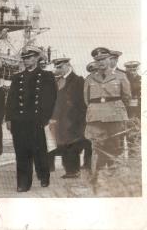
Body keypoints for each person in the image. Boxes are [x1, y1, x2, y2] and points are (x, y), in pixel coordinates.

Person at [6, 46, 57, 192]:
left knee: (39, 151)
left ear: (36, 58)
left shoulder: (46, 76)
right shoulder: (17, 77)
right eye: (24, 58)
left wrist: (45, 118)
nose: (26, 60)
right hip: (19, 121)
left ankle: (44, 175)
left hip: (37, 120)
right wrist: (9, 118)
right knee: (21, 152)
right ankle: (23, 183)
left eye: (29, 57)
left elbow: (51, 98)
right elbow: (11, 99)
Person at [84, 47, 131, 176]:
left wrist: (116, 108)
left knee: (116, 146)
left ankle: (115, 175)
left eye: (104, 59)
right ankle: (97, 176)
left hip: (115, 115)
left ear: (110, 59)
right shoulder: (90, 78)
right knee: (97, 147)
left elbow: (127, 97)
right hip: (96, 117)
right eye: (98, 60)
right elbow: (86, 99)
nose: (101, 62)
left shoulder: (121, 76)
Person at [48, 58, 89, 178]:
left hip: (73, 118)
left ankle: (73, 170)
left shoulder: (78, 80)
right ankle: (69, 170)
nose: (58, 69)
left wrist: (80, 119)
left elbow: (83, 101)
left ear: (68, 65)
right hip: (59, 118)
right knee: (63, 143)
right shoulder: (57, 81)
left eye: (60, 67)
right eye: (57, 67)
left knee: (72, 143)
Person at [124, 61, 141, 157]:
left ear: (137, 69)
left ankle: (133, 160)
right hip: (124, 112)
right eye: (130, 69)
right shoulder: (122, 79)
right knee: (120, 139)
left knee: (135, 138)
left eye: (134, 69)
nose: (132, 71)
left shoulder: (142, 80)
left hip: (137, 113)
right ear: (126, 69)